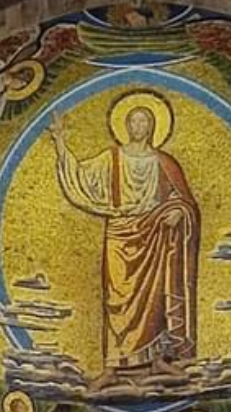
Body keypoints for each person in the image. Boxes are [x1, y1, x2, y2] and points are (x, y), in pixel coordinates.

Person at [49, 96, 199, 376]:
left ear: (153, 126)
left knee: (155, 298)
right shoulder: (112, 157)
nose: (138, 126)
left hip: (155, 234)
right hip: (119, 233)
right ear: (125, 126)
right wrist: (60, 142)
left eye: (143, 121)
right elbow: (81, 176)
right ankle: (113, 365)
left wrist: (179, 211)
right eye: (133, 121)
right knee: (116, 299)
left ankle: (158, 359)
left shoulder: (165, 162)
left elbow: (186, 201)